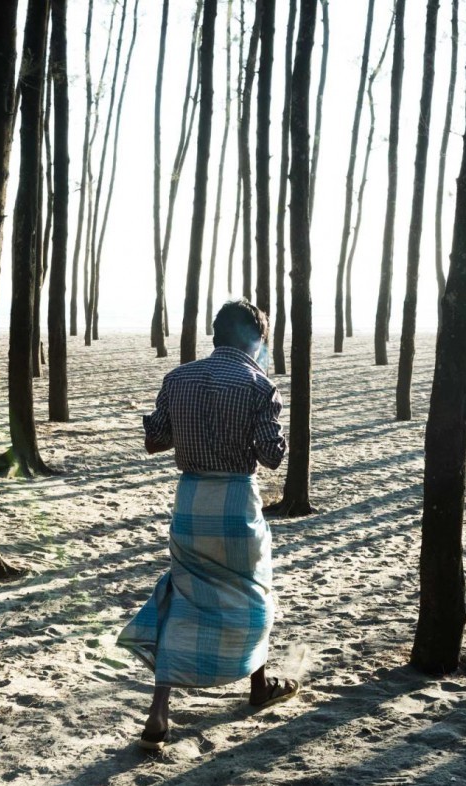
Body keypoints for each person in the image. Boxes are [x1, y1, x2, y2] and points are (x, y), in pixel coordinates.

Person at [118, 300, 301, 751]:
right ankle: (258, 687)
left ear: (216, 333)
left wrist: (191, 426)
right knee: (250, 592)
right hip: (236, 503)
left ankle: (159, 711)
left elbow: (154, 441)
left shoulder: (178, 378)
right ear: (253, 338)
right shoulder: (259, 385)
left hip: (191, 501)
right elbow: (272, 456)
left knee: (183, 595)